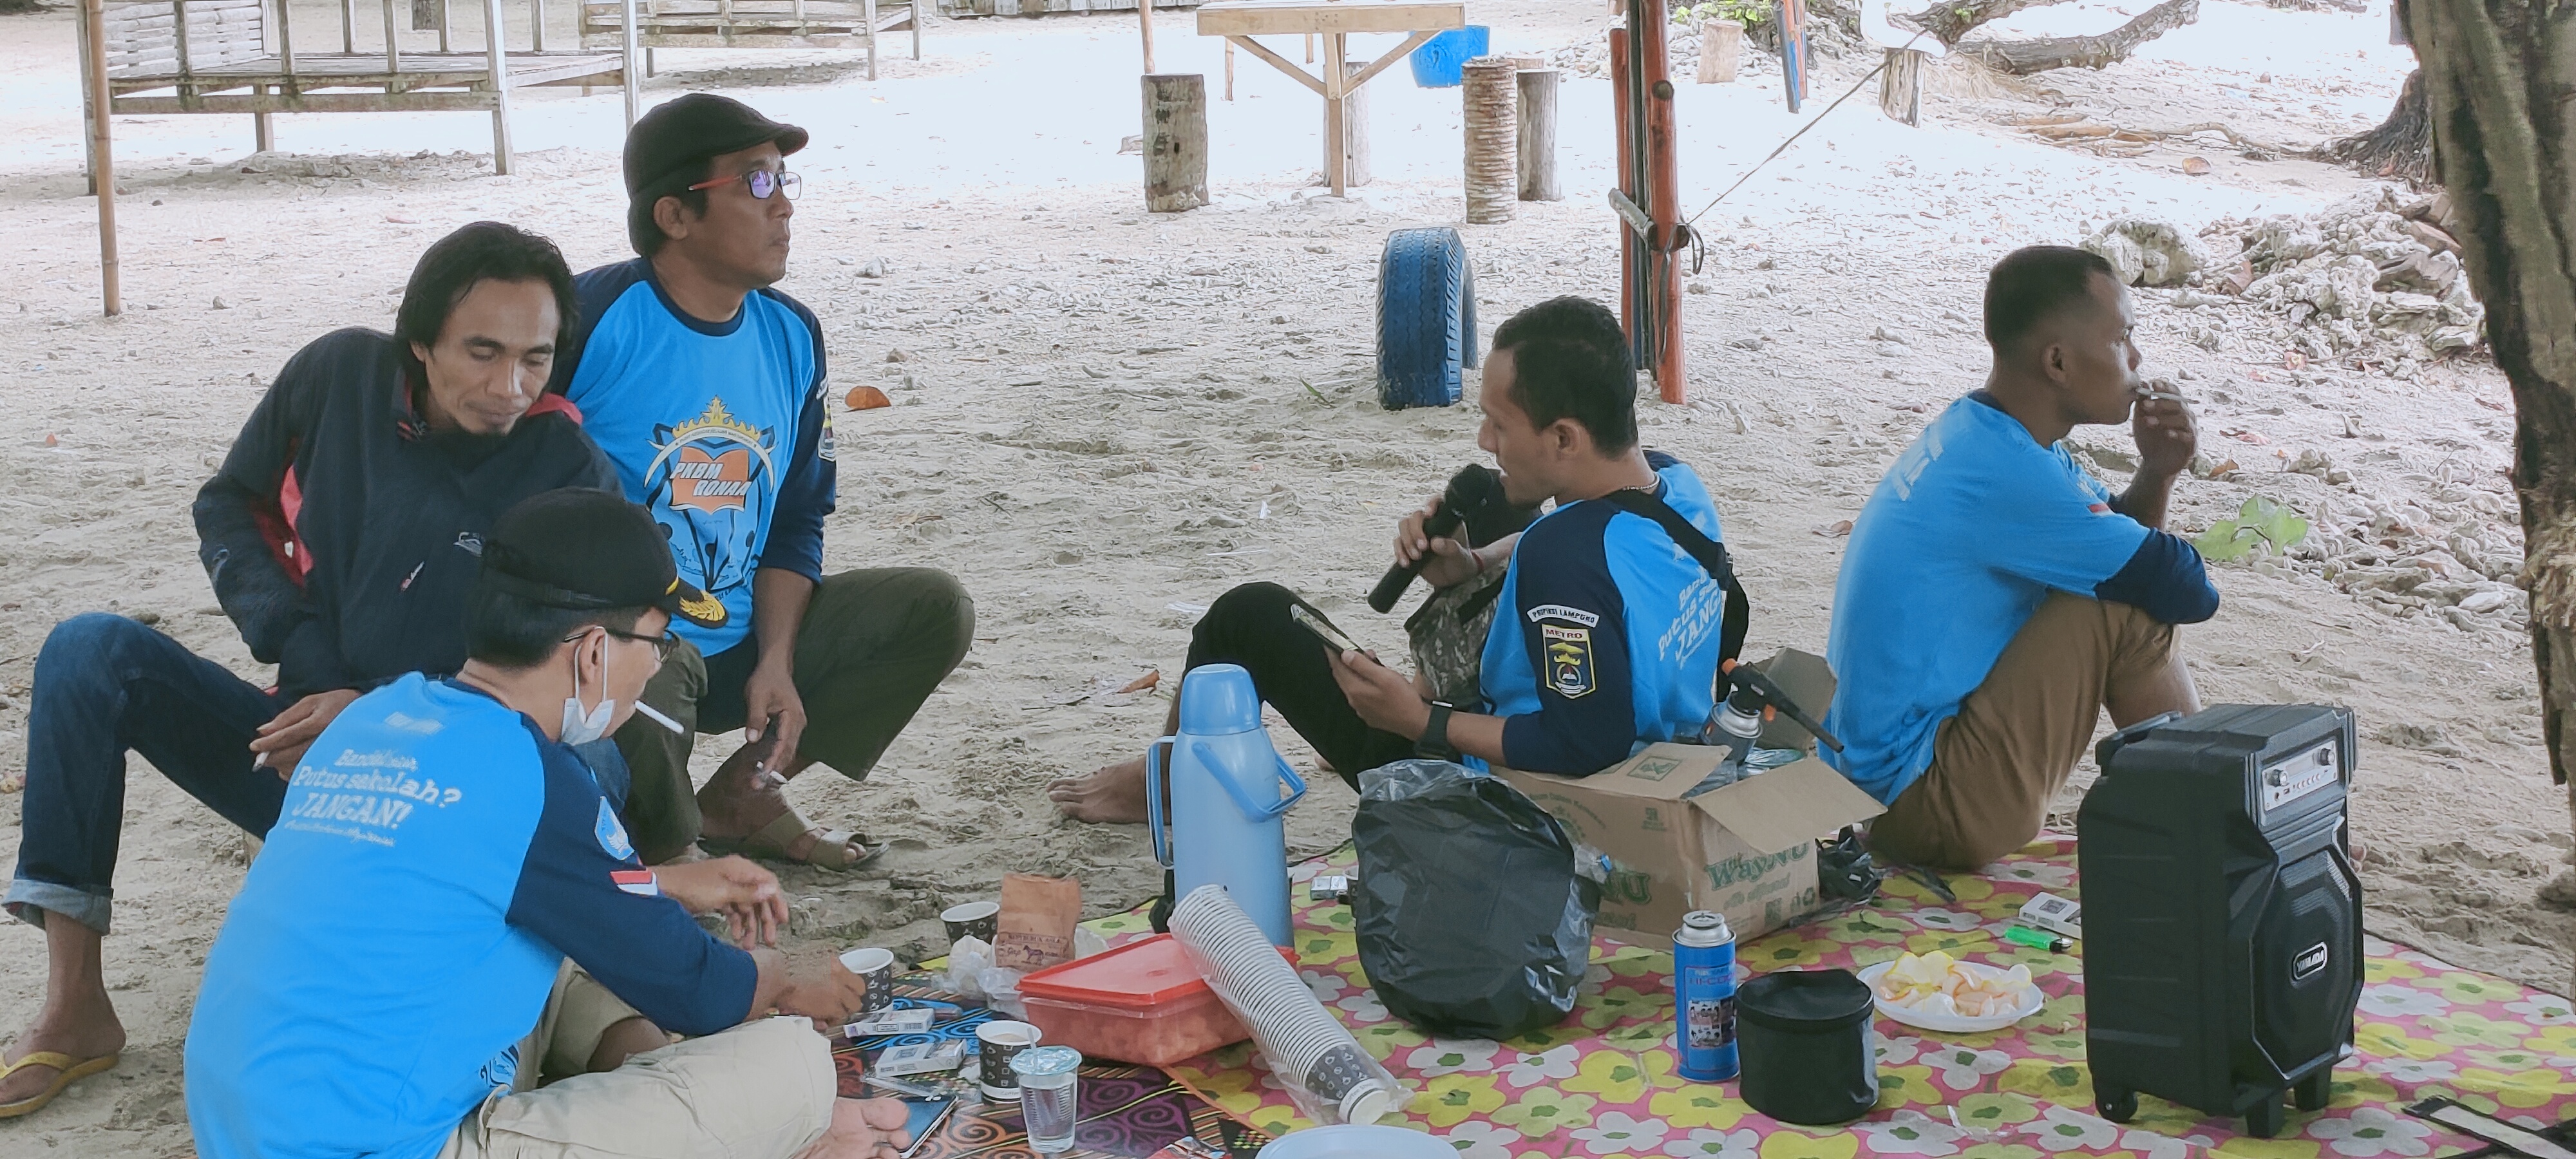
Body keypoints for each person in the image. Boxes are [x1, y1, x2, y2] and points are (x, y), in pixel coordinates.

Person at [0, 222, 617, 1118]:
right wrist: (303, 651)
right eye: (482, 352)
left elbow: (573, 674)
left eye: (536, 358)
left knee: (595, 766)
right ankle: (76, 1001)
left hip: (440, 787)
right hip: (295, 748)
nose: (509, 388)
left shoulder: (568, 469)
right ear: (420, 342)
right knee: (89, 652)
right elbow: (231, 503)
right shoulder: (337, 376)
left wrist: (378, 715)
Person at [184, 487, 913, 1159]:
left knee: (556, 946)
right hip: (380, 1144)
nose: (655, 667)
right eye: (658, 644)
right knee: (793, 1067)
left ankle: (644, 1067)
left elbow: (476, 881)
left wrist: (666, 885)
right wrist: (783, 977)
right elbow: (698, 991)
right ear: (595, 651)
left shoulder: (375, 716)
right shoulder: (530, 774)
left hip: (251, 1125)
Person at [1051, 296, 1738, 822]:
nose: (1484, 438)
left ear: (1563, 437)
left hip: (1492, 791)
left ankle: (1169, 783)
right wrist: (1475, 564)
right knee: (1494, 501)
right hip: (1665, 729)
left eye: (1499, 424)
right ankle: (1408, 694)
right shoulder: (1674, 481)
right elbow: (1589, 546)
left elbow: (1585, 744)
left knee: (1246, 616)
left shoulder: (1564, 563)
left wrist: (1418, 721)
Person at [552, 93, 973, 867]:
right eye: (754, 182)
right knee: (643, 674)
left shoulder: (792, 333)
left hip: (743, 641)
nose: (782, 205)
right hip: (622, 651)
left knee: (932, 609)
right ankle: (668, 857)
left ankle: (744, 796)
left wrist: (776, 660)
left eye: (783, 180)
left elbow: (795, 517)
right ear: (674, 215)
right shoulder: (590, 321)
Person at [1823, 245, 2220, 871]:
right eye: (2121, 339)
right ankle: (2224, 826)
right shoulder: (2006, 472)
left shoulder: (1984, 435)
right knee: (2122, 611)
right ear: (2058, 362)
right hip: (1927, 802)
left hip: (1890, 788)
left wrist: (2158, 473)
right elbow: (2184, 589)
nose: (2136, 359)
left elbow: (2122, 549)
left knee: (2114, 584)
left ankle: (2217, 818)